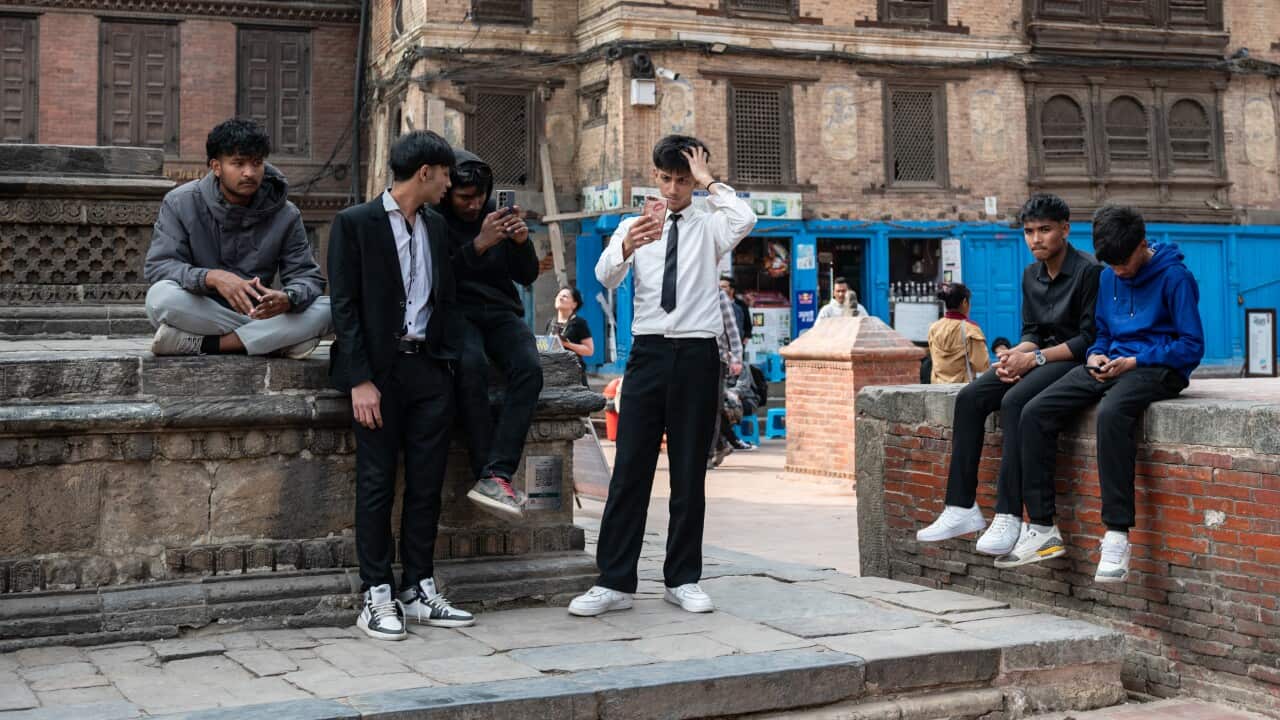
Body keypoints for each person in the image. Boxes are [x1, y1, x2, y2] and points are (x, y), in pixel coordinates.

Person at [570, 135, 756, 617]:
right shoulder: (636, 226)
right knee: (630, 467)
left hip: (697, 354)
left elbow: (746, 218)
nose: (674, 189)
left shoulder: (711, 225)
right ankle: (614, 581)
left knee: (690, 471)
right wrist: (627, 245)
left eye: (683, 180)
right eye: (667, 179)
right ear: (654, 177)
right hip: (648, 353)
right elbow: (606, 276)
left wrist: (709, 181)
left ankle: (683, 578)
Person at [1000, 206, 1204, 583]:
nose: (1120, 272)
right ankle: (1042, 527)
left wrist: (1134, 360)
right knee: (1034, 410)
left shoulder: (1175, 277)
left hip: (1159, 369)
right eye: (1112, 265)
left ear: (1143, 244)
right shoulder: (1109, 275)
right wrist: (1097, 353)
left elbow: (1191, 346)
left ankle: (1117, 534)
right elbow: (1104, 331)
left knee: (1112, 413)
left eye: (1125, 263)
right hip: (1109, 362)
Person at [327, 130, 474, 641]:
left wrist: (447, 362)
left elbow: (446, 300)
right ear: (426, 172)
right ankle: (376, 594)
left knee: (427, 485)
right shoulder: (354, 224)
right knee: (375, 484)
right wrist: (360, 379)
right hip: (379, 375)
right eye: (446, 173)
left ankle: (418, 588)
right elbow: (343, 307)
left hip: (429, 370)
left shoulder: (436, 226)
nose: (451, 183)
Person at [916, 194, 1101, 558]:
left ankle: (1010, 515)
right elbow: (1032, 331)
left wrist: (1033, 360)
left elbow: (1088, 339)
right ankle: (960, 507)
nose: (1036, 239)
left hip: (1071, 360)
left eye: (1045, 230)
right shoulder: (1029, 274)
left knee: (1016, 401)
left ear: (1065, 229)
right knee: (971, 397)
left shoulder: (1088, 271)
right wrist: (1014, 353)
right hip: (1037, 357)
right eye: (1029, 232)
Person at [143, 118, 329, 358]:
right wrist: (212, 277)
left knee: (331, 309)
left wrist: (289, 298)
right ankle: (277, 341)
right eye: (238, 163)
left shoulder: (286, 214)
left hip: (260, 312)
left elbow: (307, 277)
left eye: (257, 163)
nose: (249, 173)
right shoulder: (180, 202)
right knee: (159, 297)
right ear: (216, 167)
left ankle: (209, 344)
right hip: (200, 310)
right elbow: (160, 267)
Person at [436, 150, 542, 518]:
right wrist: (477, 245)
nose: (474, 204)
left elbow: (527, 275)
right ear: (449, 192)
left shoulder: (495, 217)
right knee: (471, 366)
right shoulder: (434, 221)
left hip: (500, 312)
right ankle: (487, 471)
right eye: (465, 197)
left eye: (479, 196)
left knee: (529, 366)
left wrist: (520, 242)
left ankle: (498, 472)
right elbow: (436, 281)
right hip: (456, 313)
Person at [708, 286, 745, 469]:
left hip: (717, 358)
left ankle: (708, 454)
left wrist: (737, 358)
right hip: (689, 357)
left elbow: (732, 330)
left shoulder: (718, 294)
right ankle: (721, 444)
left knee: (712, 407)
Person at [927, 283, 990, 384]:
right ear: (965, 302)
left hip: (937, 386)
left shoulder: (934, 327)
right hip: (963, 389)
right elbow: (981, 365)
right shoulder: (971, 330)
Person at [547, 286, 593, 385]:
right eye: (558, 295)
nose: (560, 298)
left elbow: (589, 350)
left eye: (565, 296)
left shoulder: (579, 323)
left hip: (573, 372)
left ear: (574, 304)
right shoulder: (550, 322)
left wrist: (566, 344)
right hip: (553, 371)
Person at [719, 275, 752, 345]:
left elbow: (747, 322)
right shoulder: (715, 304)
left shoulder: (741, 304)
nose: (720, 289)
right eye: (719, 286)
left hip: (738, 341)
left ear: (732, 289)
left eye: (723, 287)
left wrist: (746, 337)